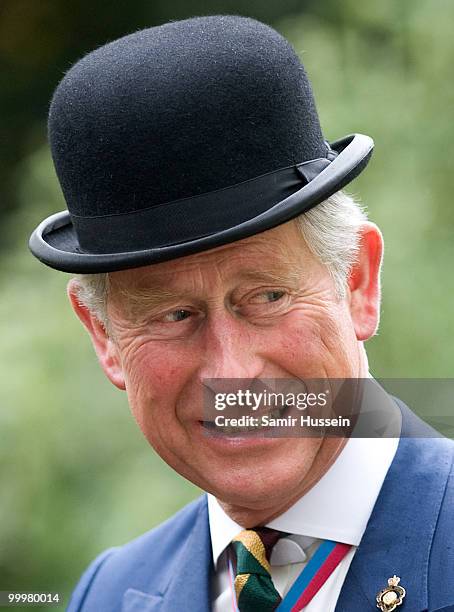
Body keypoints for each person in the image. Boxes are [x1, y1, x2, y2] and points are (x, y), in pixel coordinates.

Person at [29, 15, 454, 612]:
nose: (231, 372)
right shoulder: (106, 592)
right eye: (175, 314)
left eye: (267, 297)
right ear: (104, 336)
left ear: (358, 282)